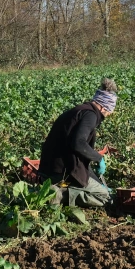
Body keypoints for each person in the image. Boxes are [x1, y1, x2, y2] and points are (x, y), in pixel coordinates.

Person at [38, 78, 118, 209]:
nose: (107, 115)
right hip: (61, 174)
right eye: (108, 112)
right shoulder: (90, 116)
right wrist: (99, 158)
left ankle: (55, 189)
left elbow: (79, 157)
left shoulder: (78, 111)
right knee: (104, 196)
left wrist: (97, 181)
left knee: (96, 186)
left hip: (48, 170)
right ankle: (60, 194)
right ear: (103, 107)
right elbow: (78, 143)